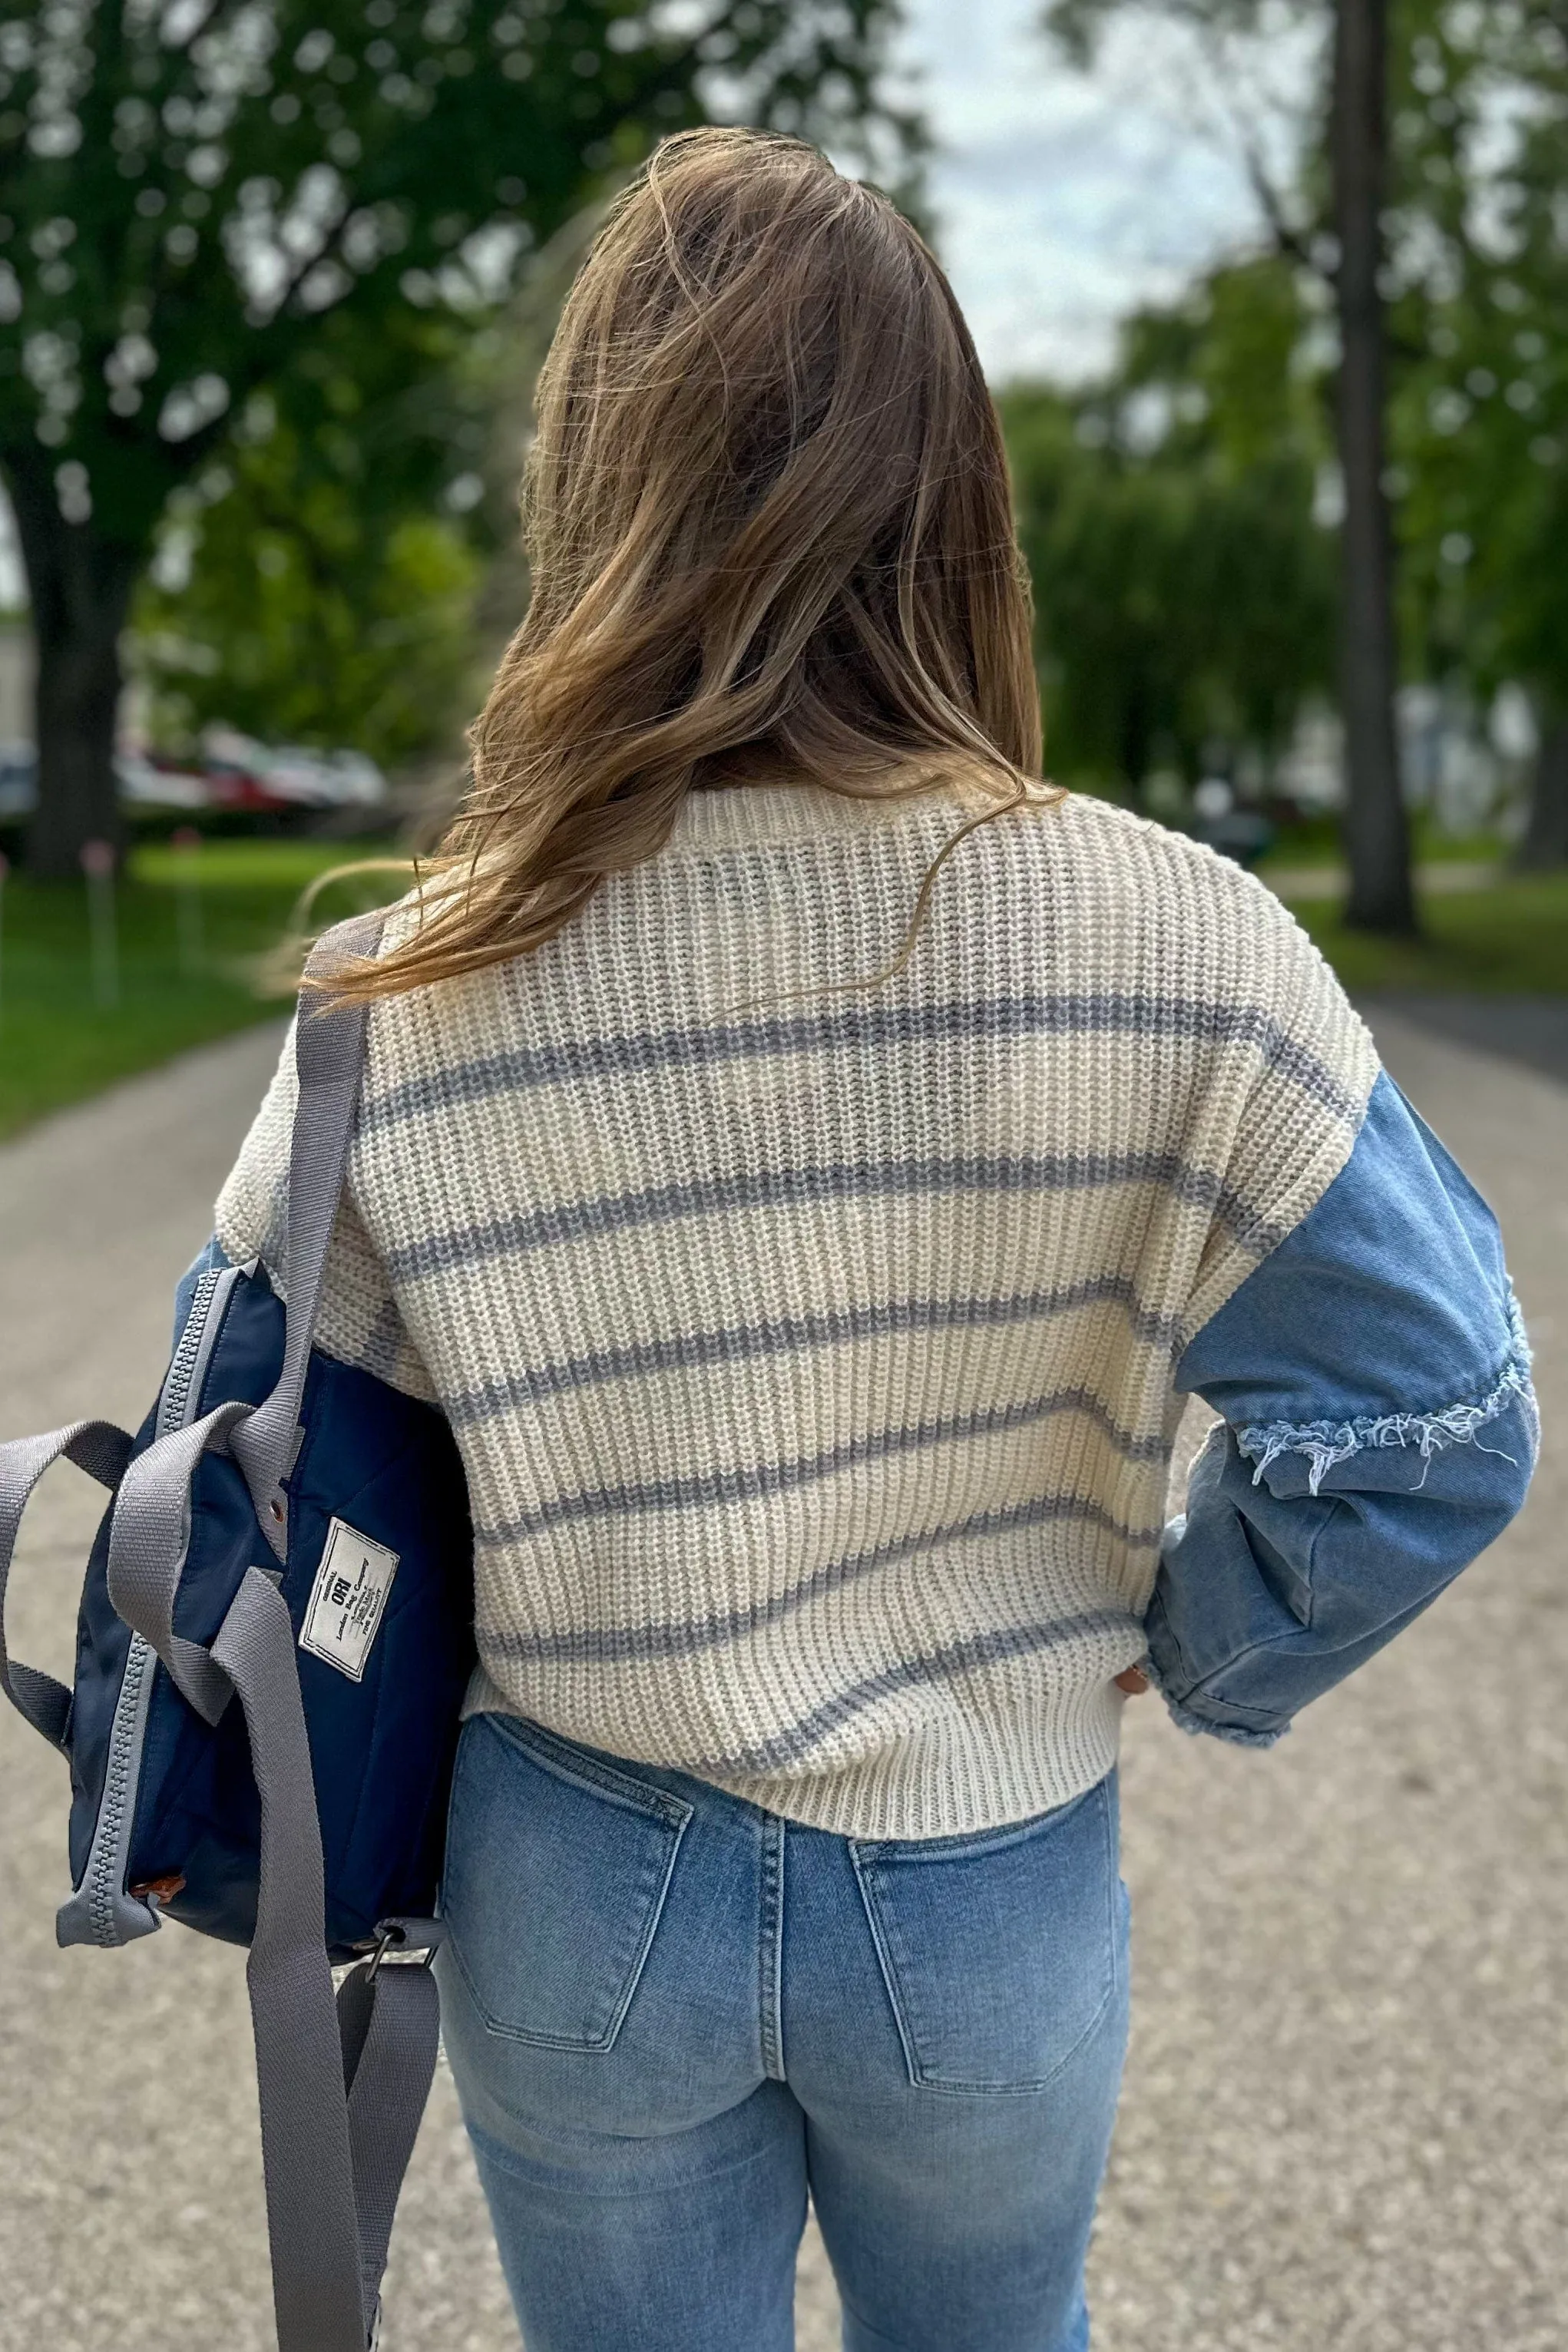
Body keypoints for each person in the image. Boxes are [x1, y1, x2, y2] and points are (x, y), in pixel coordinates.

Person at [194, 127, 1538, 2352]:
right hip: (987, 1882)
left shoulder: (408, 991)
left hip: (575, 1875)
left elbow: (245, 1452)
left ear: (594, 489)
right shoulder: (1174, 940)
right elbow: (1439, 1413)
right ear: (964, 500)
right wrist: (1201, 1639)